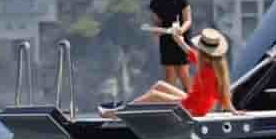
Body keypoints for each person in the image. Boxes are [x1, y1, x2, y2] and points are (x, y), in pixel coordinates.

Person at [101, 27, 240, 118]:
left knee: (154, 95)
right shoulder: (207, 63)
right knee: (160, 85)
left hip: (194, 109)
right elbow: (189, 51)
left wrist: (232, 111)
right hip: (192, 101)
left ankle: (118, 114)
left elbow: (223, 95)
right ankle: (126, 109)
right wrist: (179, 40)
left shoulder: (211, 72)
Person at [149, 0, 192, 91]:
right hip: (166, 39)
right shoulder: (155, 1)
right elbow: (156, 22)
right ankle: (170, 103)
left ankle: (190, 98)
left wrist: (180, 31)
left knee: (183, 72)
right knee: (169, 74)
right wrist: (156, 30)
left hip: (181, 39)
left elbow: (188, 20)